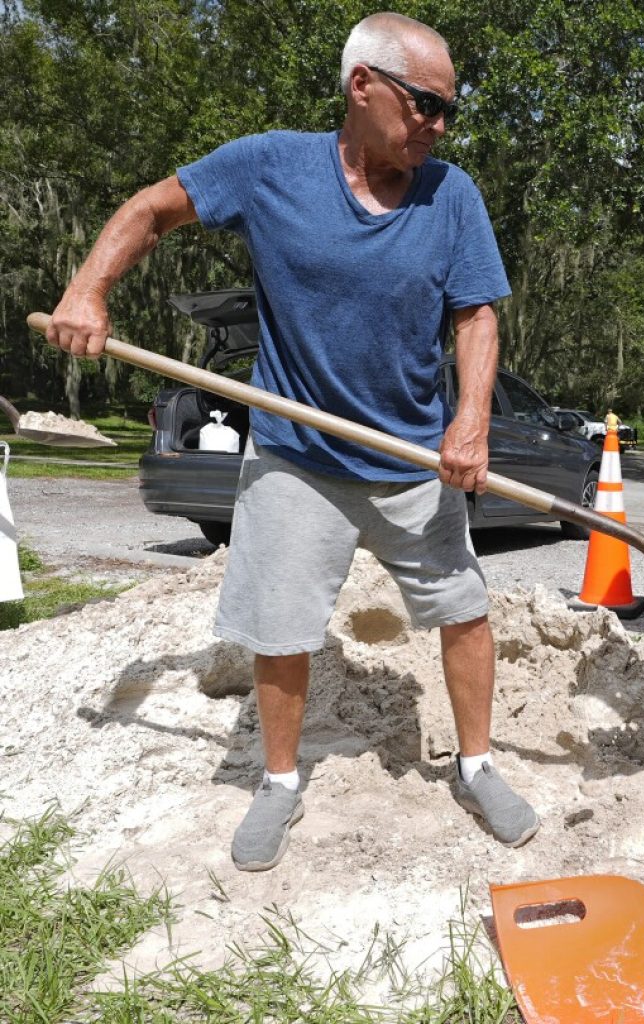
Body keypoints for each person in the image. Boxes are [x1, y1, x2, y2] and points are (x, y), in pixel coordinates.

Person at [45, 11, 540, 871]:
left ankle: (479, 763)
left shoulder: (450, 194)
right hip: (294, 457)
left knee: (463, 610)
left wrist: (471, 421)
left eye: (448, 110)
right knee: (282, 627)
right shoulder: (267, 166)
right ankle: (278, 783)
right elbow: (152, 210)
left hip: (414, 457)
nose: (439, 126)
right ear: (363, 86)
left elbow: (476, 316)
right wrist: (88, 290)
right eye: (425, 104)